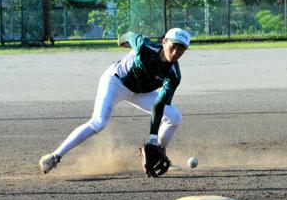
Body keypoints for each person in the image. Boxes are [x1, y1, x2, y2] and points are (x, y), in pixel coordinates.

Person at [38, 28, 191, 174]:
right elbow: (130, 35)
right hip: (115, 82)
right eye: (173, 46)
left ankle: (159, 153)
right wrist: (121, 40)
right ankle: (55, 156)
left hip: (140, 93)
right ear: (164, 42)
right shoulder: (145, 47)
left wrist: (152, 138)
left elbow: (159, 104)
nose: (176, 52)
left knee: (174, 117)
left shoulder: (174, 75)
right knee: (99, 122)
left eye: (181, 49)